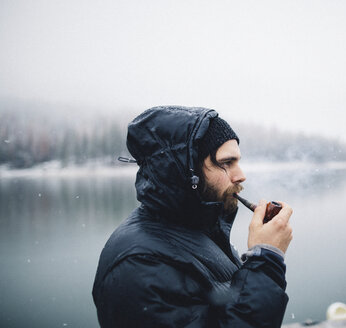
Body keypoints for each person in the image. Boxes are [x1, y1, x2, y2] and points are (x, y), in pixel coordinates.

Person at [92, 106, 294, 327]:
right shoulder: (138, 264)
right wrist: (265, 260)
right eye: (227, 163)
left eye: (237, 161)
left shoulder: (195, 228)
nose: (241, 175)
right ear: (187, 171)